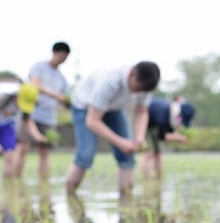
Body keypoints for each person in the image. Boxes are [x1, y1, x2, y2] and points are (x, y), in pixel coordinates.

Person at [64, 61, 161, 196]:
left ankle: (126, 203)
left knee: (128, 156)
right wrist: (120, 142)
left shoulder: (146, 86)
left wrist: (139, 137)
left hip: (114, 108)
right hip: (85, 107)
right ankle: (70, 196)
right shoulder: (110, 82)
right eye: (137, 89)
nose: (138, 93)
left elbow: (141, 111)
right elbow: (92, 121)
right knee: (85, 155)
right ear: (132, 74)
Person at [14, 42, 71, 180]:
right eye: (62, 56)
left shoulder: (62, 79)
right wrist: (54, 94)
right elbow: (34, 84)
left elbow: (63, 99)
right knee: (23, 148)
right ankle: (15, 180)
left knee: (45, 151)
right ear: (55, 53)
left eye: (65, 58)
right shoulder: (39, 67)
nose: (63, 60)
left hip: (49, 117)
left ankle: (44, 183)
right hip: (31, 113)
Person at [141, 96, 196, 180]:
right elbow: (162, 136)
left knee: (158, 152)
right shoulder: (163, 117)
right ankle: (146, 178)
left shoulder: (174, 114)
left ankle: (158, 178)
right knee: (149, 152)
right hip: (147, 124)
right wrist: (178, 138)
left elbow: (168, 131)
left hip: (157, 126)